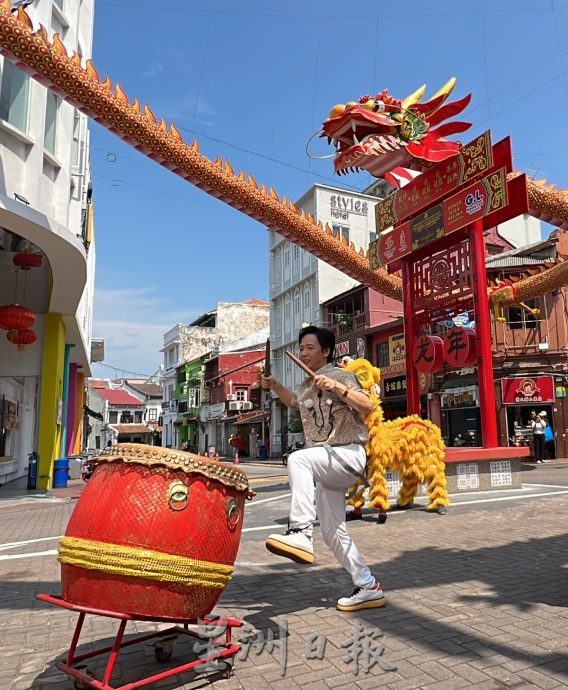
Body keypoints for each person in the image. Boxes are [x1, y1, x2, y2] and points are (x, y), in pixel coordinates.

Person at [261, 325, 385, 612]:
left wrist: (337, 387)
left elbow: (366, 405)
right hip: (327, 462)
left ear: (326, 351)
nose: (303, 352)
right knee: (333, 532)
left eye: (310, 348)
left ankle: (301, 533)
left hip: (348, 453)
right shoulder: (306, 385)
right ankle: (368, 586)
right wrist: (275, 385)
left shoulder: (341, 375)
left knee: (298, 459)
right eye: (301, 348)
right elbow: (294, 402)